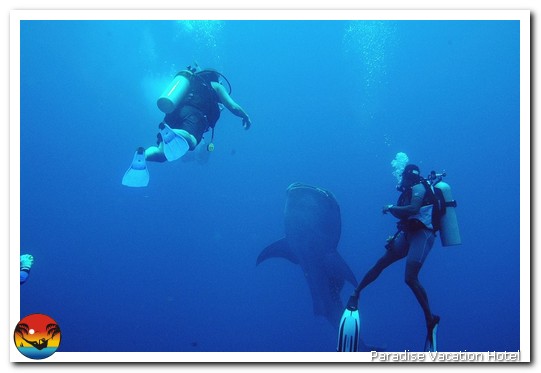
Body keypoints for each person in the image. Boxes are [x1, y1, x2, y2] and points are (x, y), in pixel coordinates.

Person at [348, 164, 440, 350]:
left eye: (402, 177)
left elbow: (413, 209)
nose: (400, 180)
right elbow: (406, 216)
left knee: (410, 278)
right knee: (381, 263)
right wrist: (394, 234)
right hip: (408, 234)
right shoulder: (408, 191)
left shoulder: (419, 188)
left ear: (408, 176)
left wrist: (390, 207)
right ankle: (356, 293)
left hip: (423, 235)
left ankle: (430, 320)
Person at [122, 67, 252, 187]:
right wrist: (245, 116)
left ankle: (143, 155)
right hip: (194, 114)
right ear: (215, 78)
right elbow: (233, 106)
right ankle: (172, 133)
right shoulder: (216, 86)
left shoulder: (191, 84)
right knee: (191, 142)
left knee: (163, 154)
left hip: (173, 113)